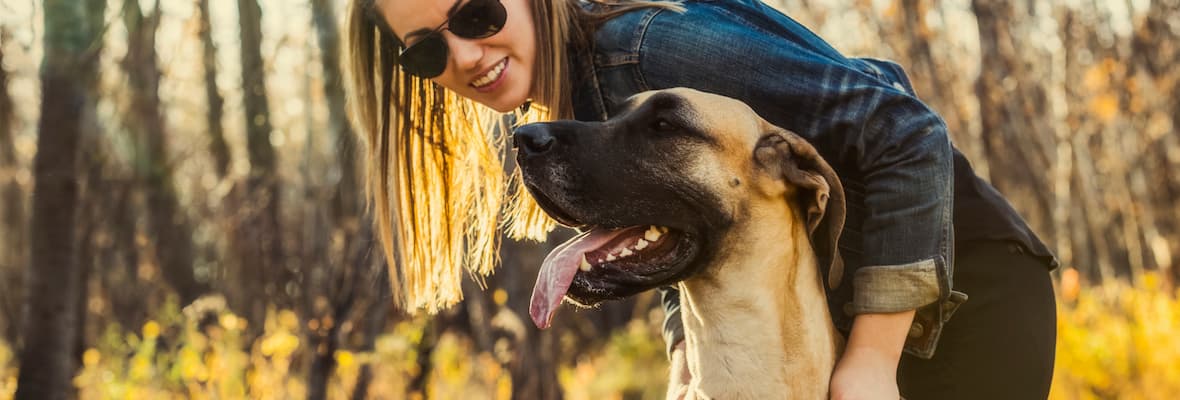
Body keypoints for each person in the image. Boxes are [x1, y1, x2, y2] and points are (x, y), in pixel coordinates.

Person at [344, 0, 1059, 398]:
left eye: (473, 13)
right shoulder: (588, 88)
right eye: (425, 53)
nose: (465, 56)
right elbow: (690, 217)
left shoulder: (642, 48)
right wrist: (684, 360)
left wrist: (870, 361)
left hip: (967, 298)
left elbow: (903, 127)